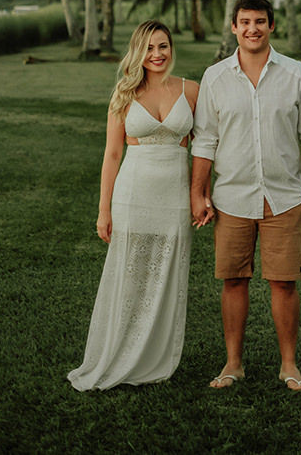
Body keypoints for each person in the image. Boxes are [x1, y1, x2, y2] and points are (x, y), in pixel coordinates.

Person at [191, 0, 301, 393]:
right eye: (245, 22)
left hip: (284, 198)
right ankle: (233, 364)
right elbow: (204, 141)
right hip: (232, 197)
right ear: (233, 27)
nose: (253, 28)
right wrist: (199, 193)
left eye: (260, 21)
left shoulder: (296, 74)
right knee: (234, 280)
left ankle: (289, 365)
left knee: (284, 283)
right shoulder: (215, 77)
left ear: (272, 27)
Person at [68, 20, 200, 391]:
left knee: (166, 278)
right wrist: (103, 210)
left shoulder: (192, 90)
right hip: (133, 192)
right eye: (149, 48)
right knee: (129, 277)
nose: (157, 55)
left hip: (174, 196)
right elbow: (112, 155)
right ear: (137, 52)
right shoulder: (123, 93)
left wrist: (200, 193)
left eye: (164, 46)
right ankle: (116, 354)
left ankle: (153, 359)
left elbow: (205, 146)